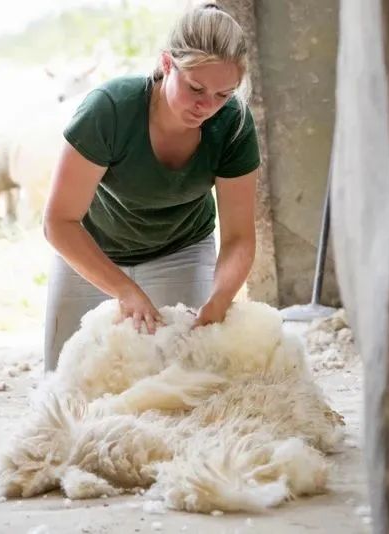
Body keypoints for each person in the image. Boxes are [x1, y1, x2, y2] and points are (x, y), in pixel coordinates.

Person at [42, 1, 260, 372]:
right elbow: (58, 222)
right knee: (69, 378)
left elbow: (239, 235)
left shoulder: (233, 124)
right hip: (95, 248)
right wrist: (125, 291)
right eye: (195, 87)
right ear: (165, 64)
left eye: (223, 94)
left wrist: (221, 297)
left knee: (185, 374)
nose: (207, 105)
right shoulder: (109, 110)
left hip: (181, 248)